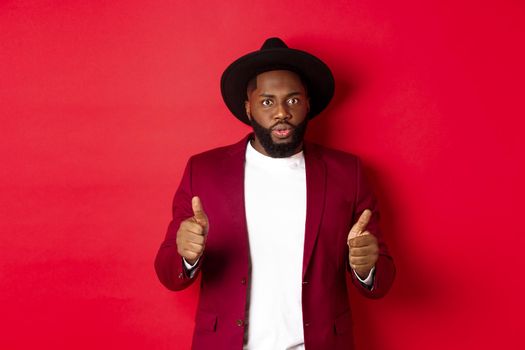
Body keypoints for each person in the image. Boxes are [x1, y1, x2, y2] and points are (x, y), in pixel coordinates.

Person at [155, 37, 395, 350]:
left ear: (308, 104)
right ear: (248, 107)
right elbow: (168, 274)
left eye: (293, 100)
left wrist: (367, 268)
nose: (281, 112)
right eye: (267, 101)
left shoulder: (347, 173)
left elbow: (383, 280)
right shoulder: (204, 170)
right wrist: (185, 256)